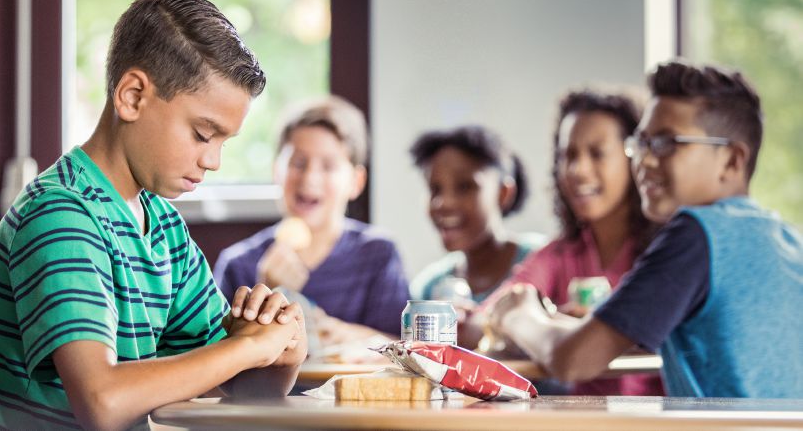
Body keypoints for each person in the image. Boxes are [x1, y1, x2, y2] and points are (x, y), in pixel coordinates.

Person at [0, 0, 307, 430]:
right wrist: (248, 348)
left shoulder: (164, 229)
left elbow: (242, 386)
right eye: (203, 134)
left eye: (223, 142)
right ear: (132, 96)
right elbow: (102, 402)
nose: (213, 160)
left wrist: (282, 348)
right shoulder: (60, 215)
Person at [492, 60, 803, 398]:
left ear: (732, 160)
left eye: (668, 143)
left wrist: (518, 316)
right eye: (642, 143)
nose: (645, 160)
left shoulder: (698, 234)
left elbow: (572, 361)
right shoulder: (786, 238)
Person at [477, 88, 663, 396]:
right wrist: (553, 320)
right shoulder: (559, 254)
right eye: (568, 155)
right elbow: (491, 313)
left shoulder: (665, 253)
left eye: (596, 153)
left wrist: (545, 323)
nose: (578, 170)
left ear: (636, 157)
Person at [214, 96, 410, 347]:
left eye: (328, 166)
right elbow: (218, 356)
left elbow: (404, 347)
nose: (310, 178)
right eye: (298, 163)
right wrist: (266, 294)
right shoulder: (238, 264)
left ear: (356, 182)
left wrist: (345, 335)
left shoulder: (378, 253)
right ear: (277, 171)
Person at [408, 126, 544, 305]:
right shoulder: (427, 288)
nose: (443, 203)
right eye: (435, 189)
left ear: (503, 193)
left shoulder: (542, 259)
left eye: (464, 187)